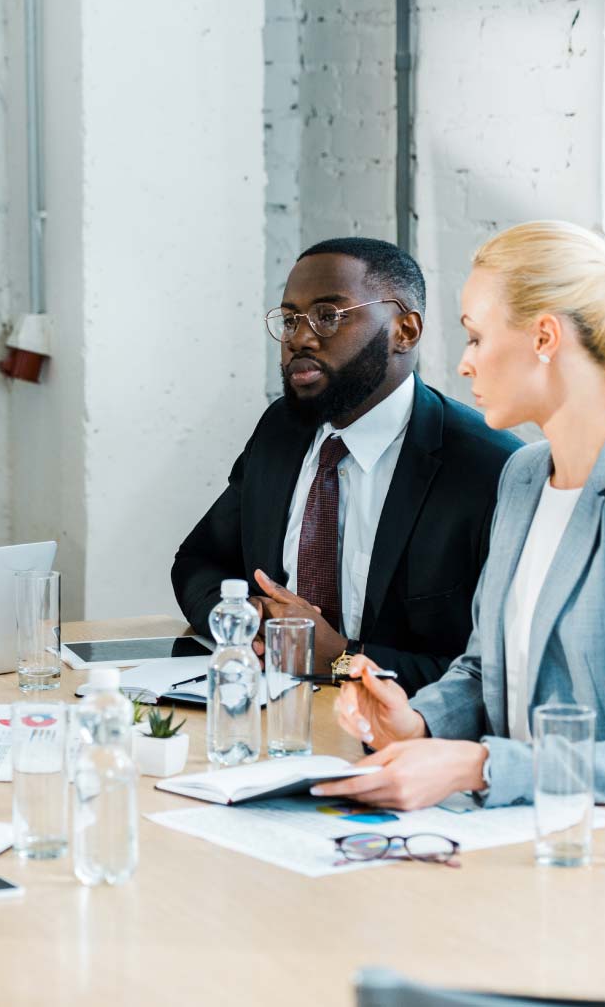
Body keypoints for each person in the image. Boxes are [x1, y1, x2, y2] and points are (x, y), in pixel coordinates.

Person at [317, 221, 605, 860]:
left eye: (477, 336)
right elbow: (487, 667)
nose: (463, 360)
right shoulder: (524, 475)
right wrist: (418, 721)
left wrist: (476, 765)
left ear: (544, 337)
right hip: (555, 837)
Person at [172, 238, 521, 695]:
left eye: (328, 316)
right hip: (270, 716)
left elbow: (495, 674)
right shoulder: (282, 431)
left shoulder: (490, 467)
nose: (299, 337)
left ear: (405, 331)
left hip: (403, 737)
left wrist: (342, 659)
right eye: (291, 319)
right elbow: (198, 562)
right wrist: (250, 619)